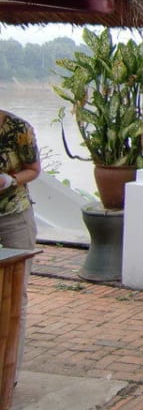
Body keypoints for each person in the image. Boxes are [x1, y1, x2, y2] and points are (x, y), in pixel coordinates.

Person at [0, 109, 40, 380]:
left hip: (14, 216)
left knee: (16, 294)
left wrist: (9, 180)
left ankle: (9, 373)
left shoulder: (17, 127)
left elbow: (34, 170)